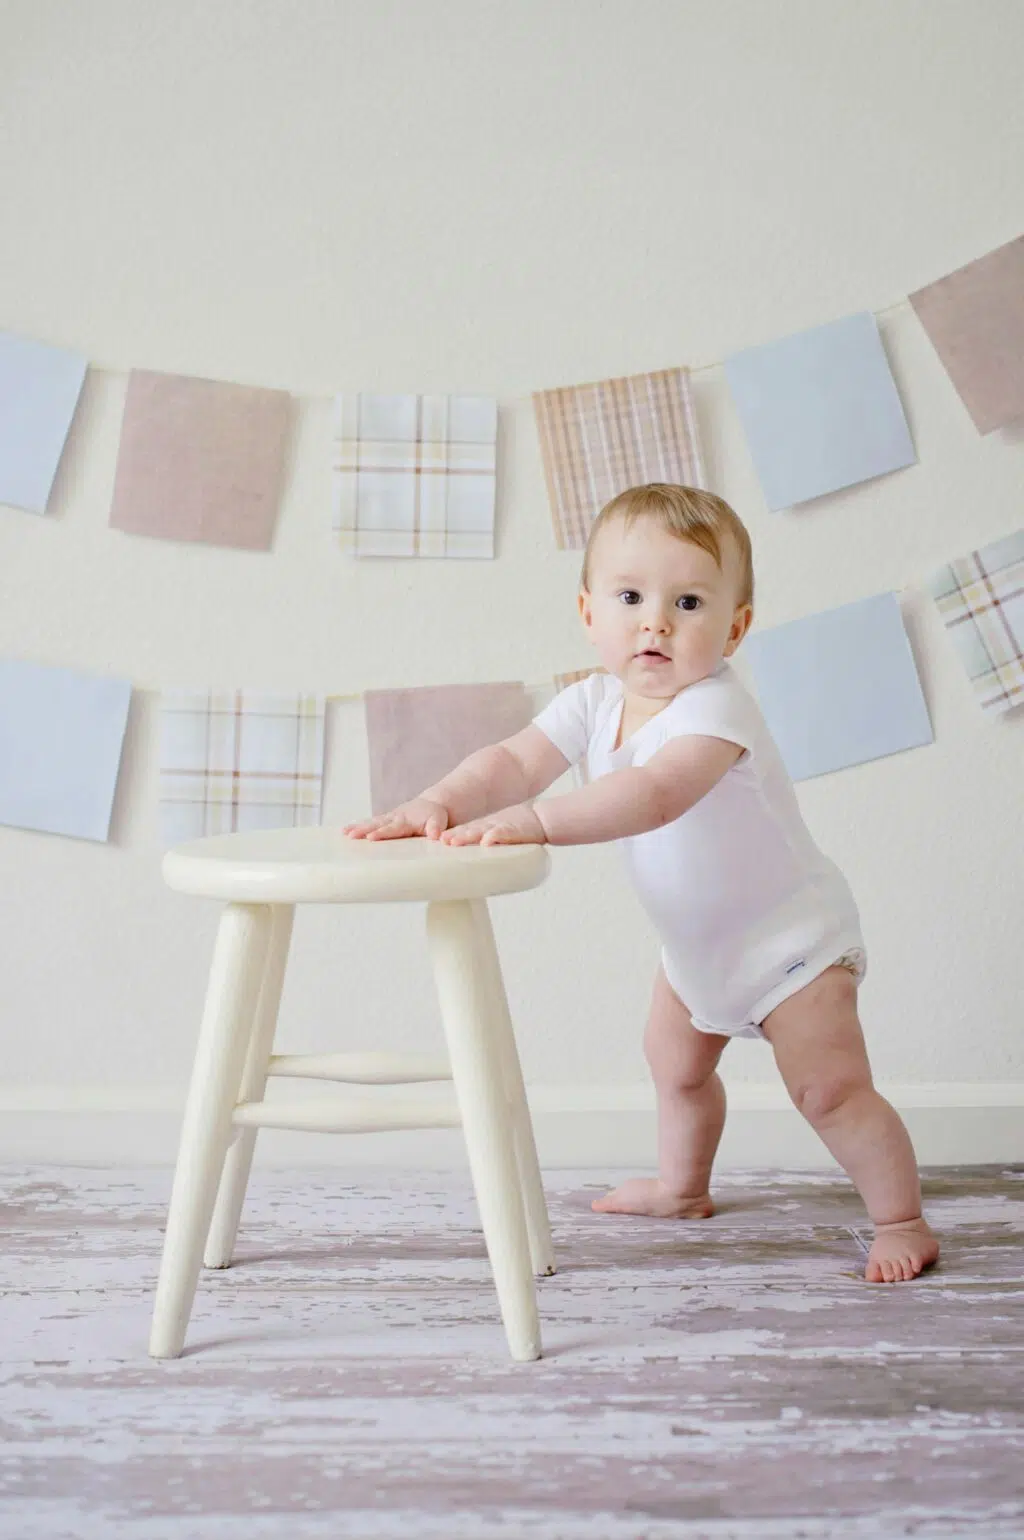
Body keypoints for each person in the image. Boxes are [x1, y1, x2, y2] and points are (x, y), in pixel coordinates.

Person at [344, 483, 939, 1284]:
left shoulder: (717, 712)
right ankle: (682, 1187)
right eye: (631, 596)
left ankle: (901, 1218)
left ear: (735, 627)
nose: (655, 621)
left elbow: (655, 795)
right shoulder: (590, 702)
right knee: (676, 1068)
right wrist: (439, 800)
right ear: (589, 613)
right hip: (694, 951)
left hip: (793, 946)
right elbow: (513, 762)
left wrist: (539, 821)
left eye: (688, 601)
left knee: (830, 1091)